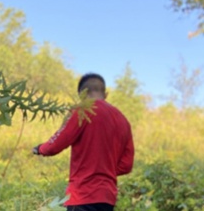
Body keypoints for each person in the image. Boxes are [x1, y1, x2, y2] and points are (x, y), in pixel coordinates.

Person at [32, 73, 134, 211]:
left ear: (81, 94)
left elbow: (55, 145)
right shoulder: (123, 121)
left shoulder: (83, 110)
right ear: (106, 94)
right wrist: (104, 170)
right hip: (107, 198)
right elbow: (126, 165)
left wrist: (39, 148)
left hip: (82, 196)